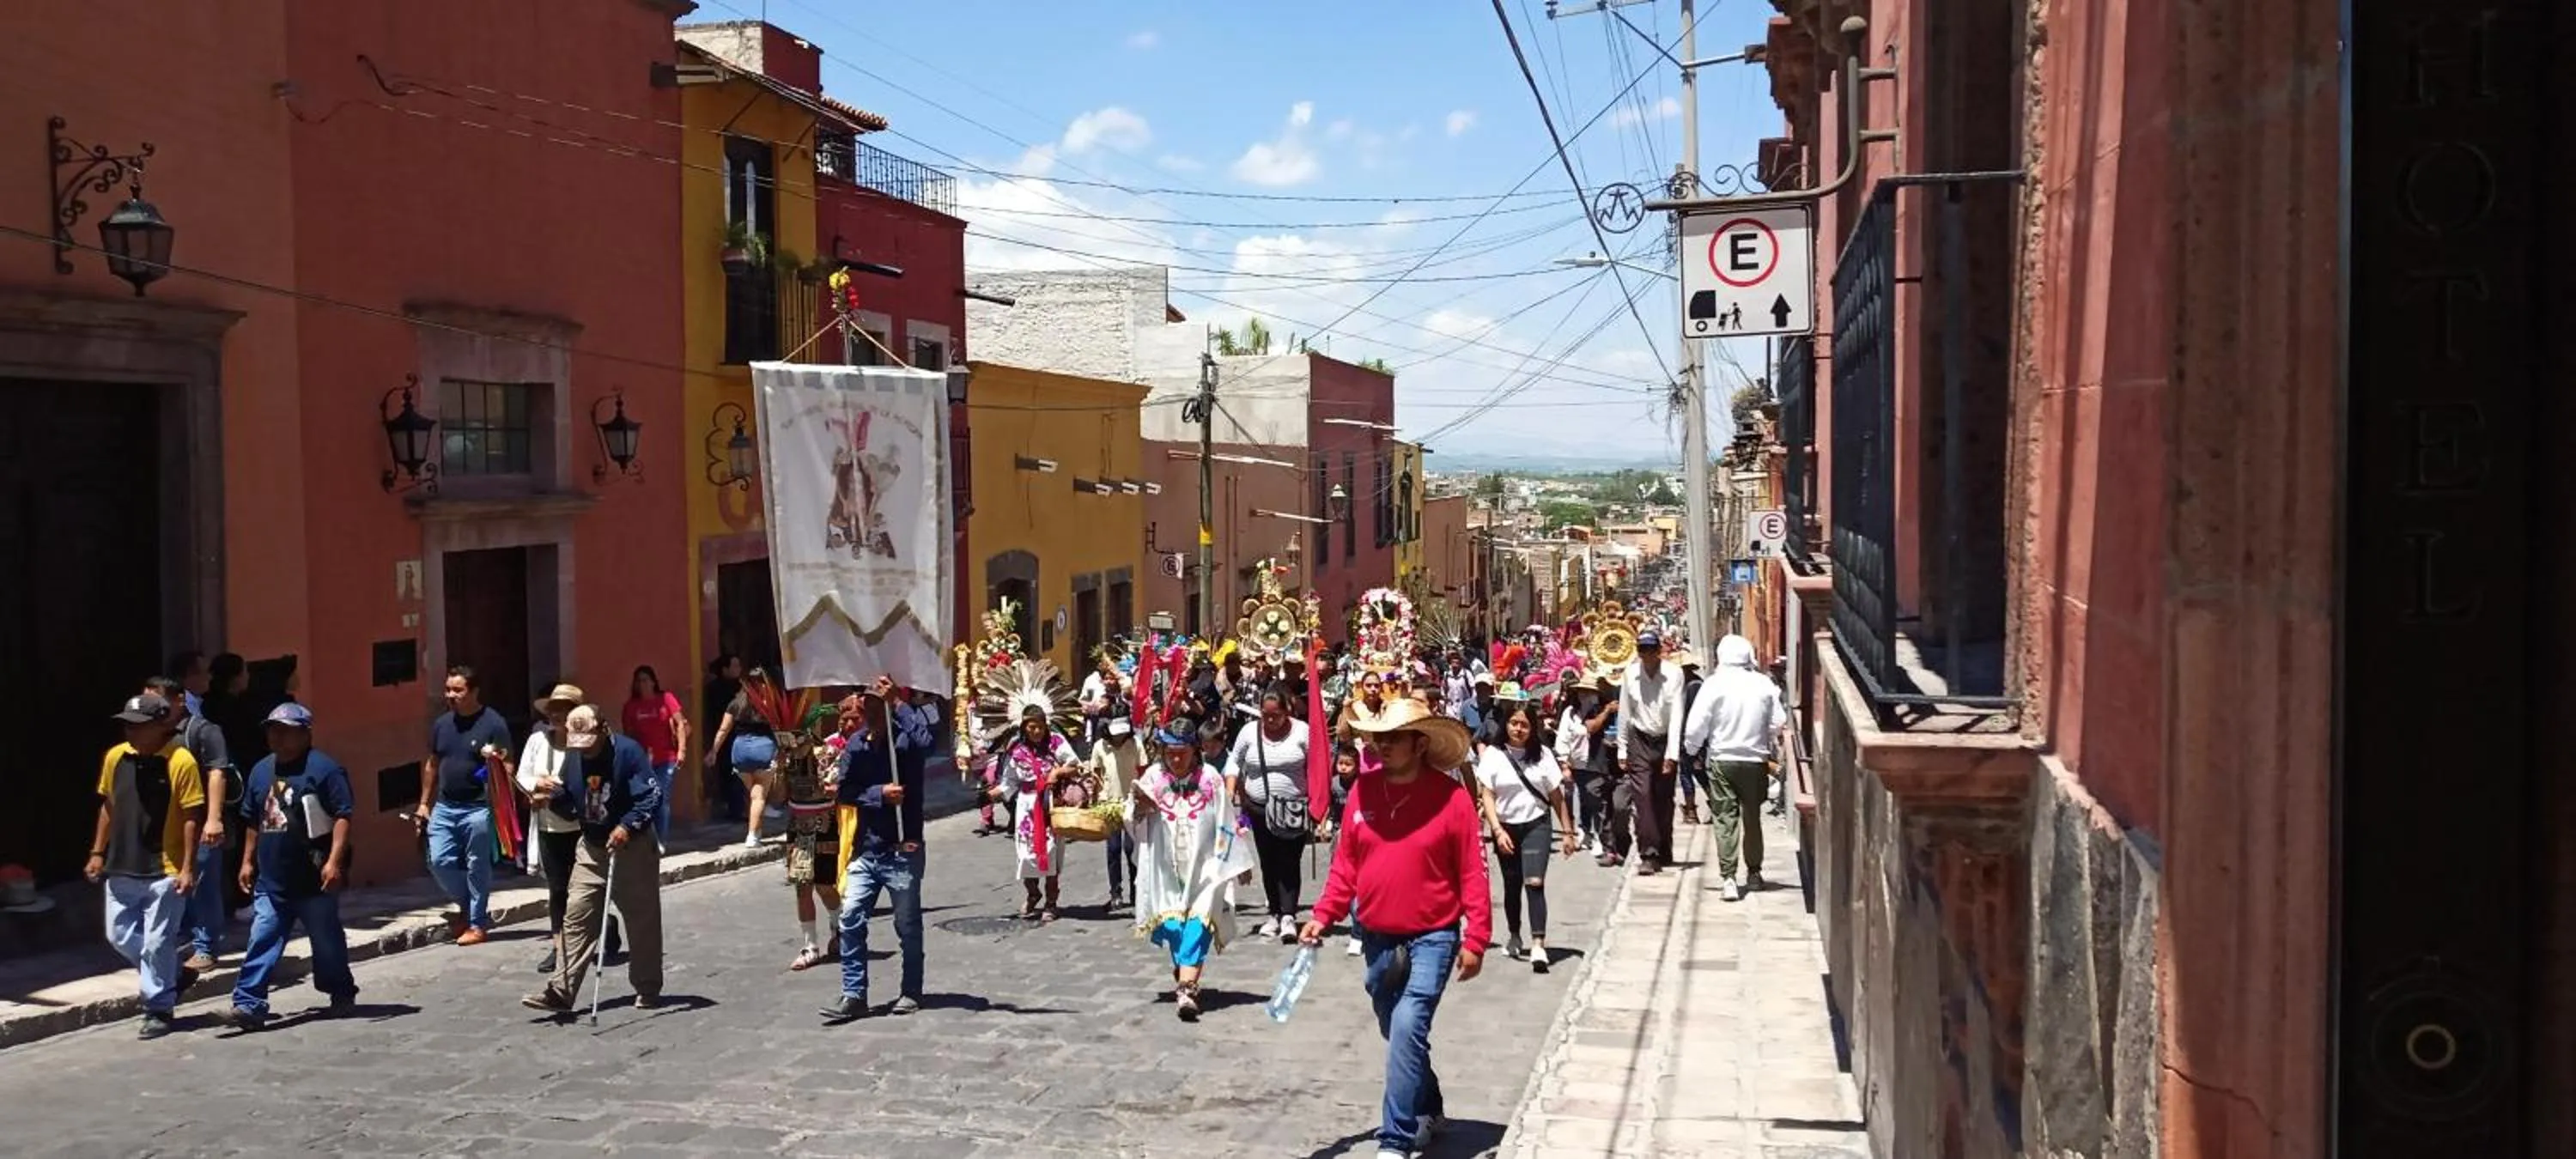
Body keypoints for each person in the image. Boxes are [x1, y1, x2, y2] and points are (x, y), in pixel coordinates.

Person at [1303, 698, 1492, 1159]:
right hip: (1376, 935)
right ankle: (1428, 1105)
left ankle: (1396, 1139)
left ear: (1419, 743)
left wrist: (1477, 938)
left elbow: (1472, 871)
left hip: (1434, 936)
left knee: (1408, 1025)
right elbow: (1346, 864)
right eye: (1376, 737)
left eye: (1392, 738)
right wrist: (1324, 914)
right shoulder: (1362, 794)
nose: (1381, 745)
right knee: (1398, 1030)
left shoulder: (1452, 801)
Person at [524, 705, 665, 1014]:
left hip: (632, 848)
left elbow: (651, 797)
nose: (582, 752)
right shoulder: (574, 755)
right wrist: (548, 799)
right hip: (591, 847)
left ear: (603, 730)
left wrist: (627, 826)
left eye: (587, 743)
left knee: (641, 921)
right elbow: (571, 801)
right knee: (576, 917)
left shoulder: (628, 753)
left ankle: (647, 987)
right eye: (577, 744)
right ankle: (562, 989)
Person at [227, 703, 356, 1028]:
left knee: (326, 942)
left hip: (313, 879)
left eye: (286, 730)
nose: (278, 737)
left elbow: (343, 815)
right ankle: (249, 1003)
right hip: (272, 880)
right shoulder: (260, 771)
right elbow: (253, 820)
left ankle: (340, 991)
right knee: (263, 937)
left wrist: (333, 862)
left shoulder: (325, 770)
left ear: (305, 733)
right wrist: (246, 861)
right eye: (273, 730)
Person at [88, 692, 206, 1039]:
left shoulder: (180, 761)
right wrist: (97, 851)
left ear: (161, 726)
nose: (131, 732)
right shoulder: (115, 757)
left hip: (165, 867)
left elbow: (190, 816)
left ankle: (158, 1008)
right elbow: (108, 806)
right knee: (118, 935)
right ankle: (173, 974)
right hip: (122, 863)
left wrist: (187, 867)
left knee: (157, 943)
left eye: (139, 726)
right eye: (127, 725)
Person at [820, 678, 934, 1020]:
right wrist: (878, 794)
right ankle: (854, 994)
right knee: (851, 918)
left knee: (907, 923)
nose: (868, 714)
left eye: (875, 706)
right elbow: (844, 791)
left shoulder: (906, 740)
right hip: (868, 850)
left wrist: (899, 703)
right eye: (864, 708)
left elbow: (927, 743)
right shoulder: (856, 745)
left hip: (903, 848)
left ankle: (911, 989)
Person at [1129, 718, 1256, 1022]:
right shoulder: (1152, 777)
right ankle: (1186, 970)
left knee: (1198, 925)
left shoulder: (1210, 779)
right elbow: (1130, 816)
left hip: (1205, 869)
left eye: (1182, 752)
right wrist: (1141, 807)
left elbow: (1226, 820)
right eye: (1170, 751)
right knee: (1173, 927)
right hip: (1165, 870)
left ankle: (1187, 989)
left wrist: (1238, 863)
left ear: (1195, 751)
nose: (1175, 758)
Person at [1682, 634, 1790, 901]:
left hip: (1723, 761)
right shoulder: (1763, 684)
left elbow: (1697, 724)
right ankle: (1754, 873)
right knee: (1752, 818)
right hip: (1755, 762)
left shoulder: (1714, 684)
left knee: (1725, 819)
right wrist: (1760, 732)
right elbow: (1779, 721)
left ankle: (1729, 878)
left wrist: (1691, 748)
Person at [518, 684, 617, 974]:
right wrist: (538, 785)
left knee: (584, 889)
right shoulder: (537, 741)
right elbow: (523, 775)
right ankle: (560, 948)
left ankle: (605, 924)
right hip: (549, 827)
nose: (557, 715)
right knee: (557, 889)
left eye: (564, 709)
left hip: (581, 827)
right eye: (554, 709)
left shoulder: (585, 743)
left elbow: (599, 780)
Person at [414, 665, 514, 946]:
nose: (451, 695)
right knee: (438, 860)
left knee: (477, 866)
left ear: (474, 692)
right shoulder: (442, 724)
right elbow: (432, 764)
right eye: (448, 689)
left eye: (458, 690)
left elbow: (507, 764)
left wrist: (498, 792)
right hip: (446, 805)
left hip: (479, 807)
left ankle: (477, 924)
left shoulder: (493, 723)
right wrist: (424, 803)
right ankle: (470, 907)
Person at [1473, 701, 1577, 971]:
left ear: (1533, 728)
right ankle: (1515, 933)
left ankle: (1539, 945)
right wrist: (1496, 830)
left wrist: (1567, 831)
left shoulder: (1543, 755)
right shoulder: (1494, 755)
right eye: (1514, 723)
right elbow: (1487, 793)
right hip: (1506, 827)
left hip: (1536, 825)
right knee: (1512, 884)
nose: (1518, 729)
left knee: (1534, 882)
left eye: (1524, 725)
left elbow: (1556, 796)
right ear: (1506, 725)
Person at [144, 676, 232, 974]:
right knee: (172, 883)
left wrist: (214, 819)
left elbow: (217, 773)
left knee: (202, 883)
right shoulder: (154, 734)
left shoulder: (203, 731)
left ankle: (206, 946)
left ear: (179, 699)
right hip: (168, 823)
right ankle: (182, 938)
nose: (151, 708)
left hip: (200, 820)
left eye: (157, 701)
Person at [1228, 688, 1313, 944]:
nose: (1270, 720)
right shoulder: (1249, 732)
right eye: (1265, 715)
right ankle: (1273, 912)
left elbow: (1318, 764)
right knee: (1268, 861)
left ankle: (1289, 914)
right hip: (1259, 808)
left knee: (1289, 860)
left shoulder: (1302, 731)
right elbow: (1234, 761)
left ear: (1287, 712)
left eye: (1275, 715)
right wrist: (1230, 790)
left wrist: (1318, 802)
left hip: (1292, 809)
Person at [983, 705, 1079, 920]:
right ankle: (1033, 893)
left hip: (1051, 805)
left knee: (1051, 853)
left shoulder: (1056, 742)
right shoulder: (1017, 751)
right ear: (1024, 728)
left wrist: (1057, 771)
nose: (1037, 732)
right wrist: (989, 795)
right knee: (1026, 855)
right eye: (1032, 727)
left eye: (1041, 727)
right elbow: (1008, 784)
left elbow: (1074, 765)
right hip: (1027, 808)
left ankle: (1052, 902)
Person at [786, 697, 854, 971]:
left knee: (825, 887)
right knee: (802, 887)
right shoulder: (787, 760)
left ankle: (839, 930)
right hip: (797, 828)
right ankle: (809, 945)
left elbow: (832, 789)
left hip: (824, 824)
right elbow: (779, 795)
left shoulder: (827, 753)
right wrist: (780, 767)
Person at [1613, 630, 1684, 875]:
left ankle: (1664, 846)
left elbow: (1677, 716)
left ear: (1659, 651)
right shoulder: (1630, 675)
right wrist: (1622, 748)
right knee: (1642, 797)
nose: (1647, 655)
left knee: (1663, 800)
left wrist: (1672, 754)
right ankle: (1648, 853)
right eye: (1642, 650)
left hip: (1664, 740)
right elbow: (1625, 712)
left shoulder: (1674, 675)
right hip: (1639, 740)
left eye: (1651, 650)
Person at [705, 666, 790, 847]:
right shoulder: (771, 703)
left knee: (752, 793)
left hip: (740, 749)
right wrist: (784, 751)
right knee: (759, 796)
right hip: (764, 748)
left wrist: (714, 751)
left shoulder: (737, 702)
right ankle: (753, 836)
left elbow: (723, 730)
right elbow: (781, 730)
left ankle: (755, 830)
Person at [621, 666, 690, 843]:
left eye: (645, 679)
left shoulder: (666, 698)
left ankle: (660, 841)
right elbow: (629, 735)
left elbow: (680, 723)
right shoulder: (631, 706)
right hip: (643, 761)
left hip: (666, 758)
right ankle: (646, 839)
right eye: (639, 681)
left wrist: (682, 750)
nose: (642, 684)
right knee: (644, 799)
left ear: (653, 681)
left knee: (661, 798)